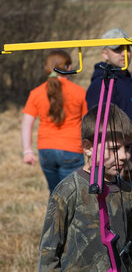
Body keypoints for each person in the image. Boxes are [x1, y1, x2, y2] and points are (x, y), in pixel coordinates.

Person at [38, 104, 132, 271]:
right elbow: (49, 251)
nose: (123, 156)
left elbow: (130, 245)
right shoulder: (69, 190)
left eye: (127, 147)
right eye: (114, 149)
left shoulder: (127, 192)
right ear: (88, 148)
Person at [86, 28, 132, 191]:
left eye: (127, 49)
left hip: (130, 163)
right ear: (105, 54)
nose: (125, 54)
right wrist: (120, 160)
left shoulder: (128, 81)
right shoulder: (103, 83)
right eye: (117, 50)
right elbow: (100, 127)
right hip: (115, 166)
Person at [22, 50, 87, 193]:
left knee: (55, 195)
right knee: (73, 198)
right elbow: (88, 122)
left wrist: (27, 151)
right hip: (72, 150)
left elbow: (27, 123)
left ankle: (54, 216)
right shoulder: (79, 92)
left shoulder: (36, 92)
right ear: (69, 68)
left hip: (45, 150)